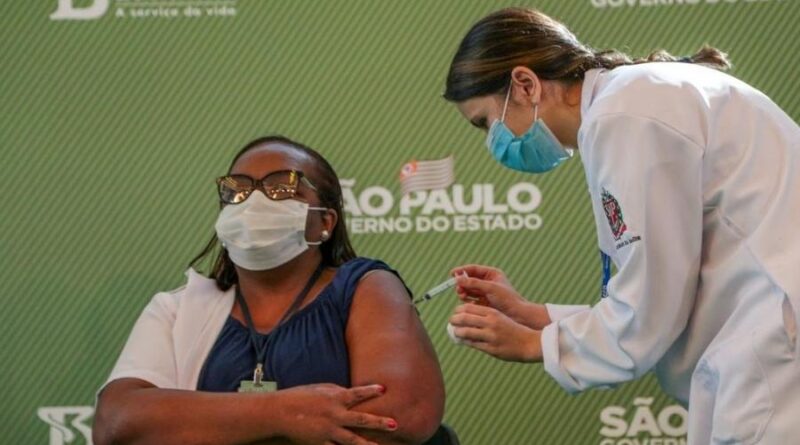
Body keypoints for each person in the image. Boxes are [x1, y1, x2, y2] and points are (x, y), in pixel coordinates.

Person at [442, 7, 800, 444]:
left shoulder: (624, 116)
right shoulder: (630, 101)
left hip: (775, 350)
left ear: (525, 84)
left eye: (485, 122)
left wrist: (534, 345)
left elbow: (651, 308)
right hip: (763, 341)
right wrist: (534, 317)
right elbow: (657, 293)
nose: (492, 142)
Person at [93, 136, 445, 445]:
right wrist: (288, 414)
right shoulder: (176, 309)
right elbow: (117, 423)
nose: (254, 202)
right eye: (238, 189)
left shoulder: (365, 286)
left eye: (282, 186)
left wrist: (200, 426)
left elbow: (398, 414)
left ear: (325, 221)